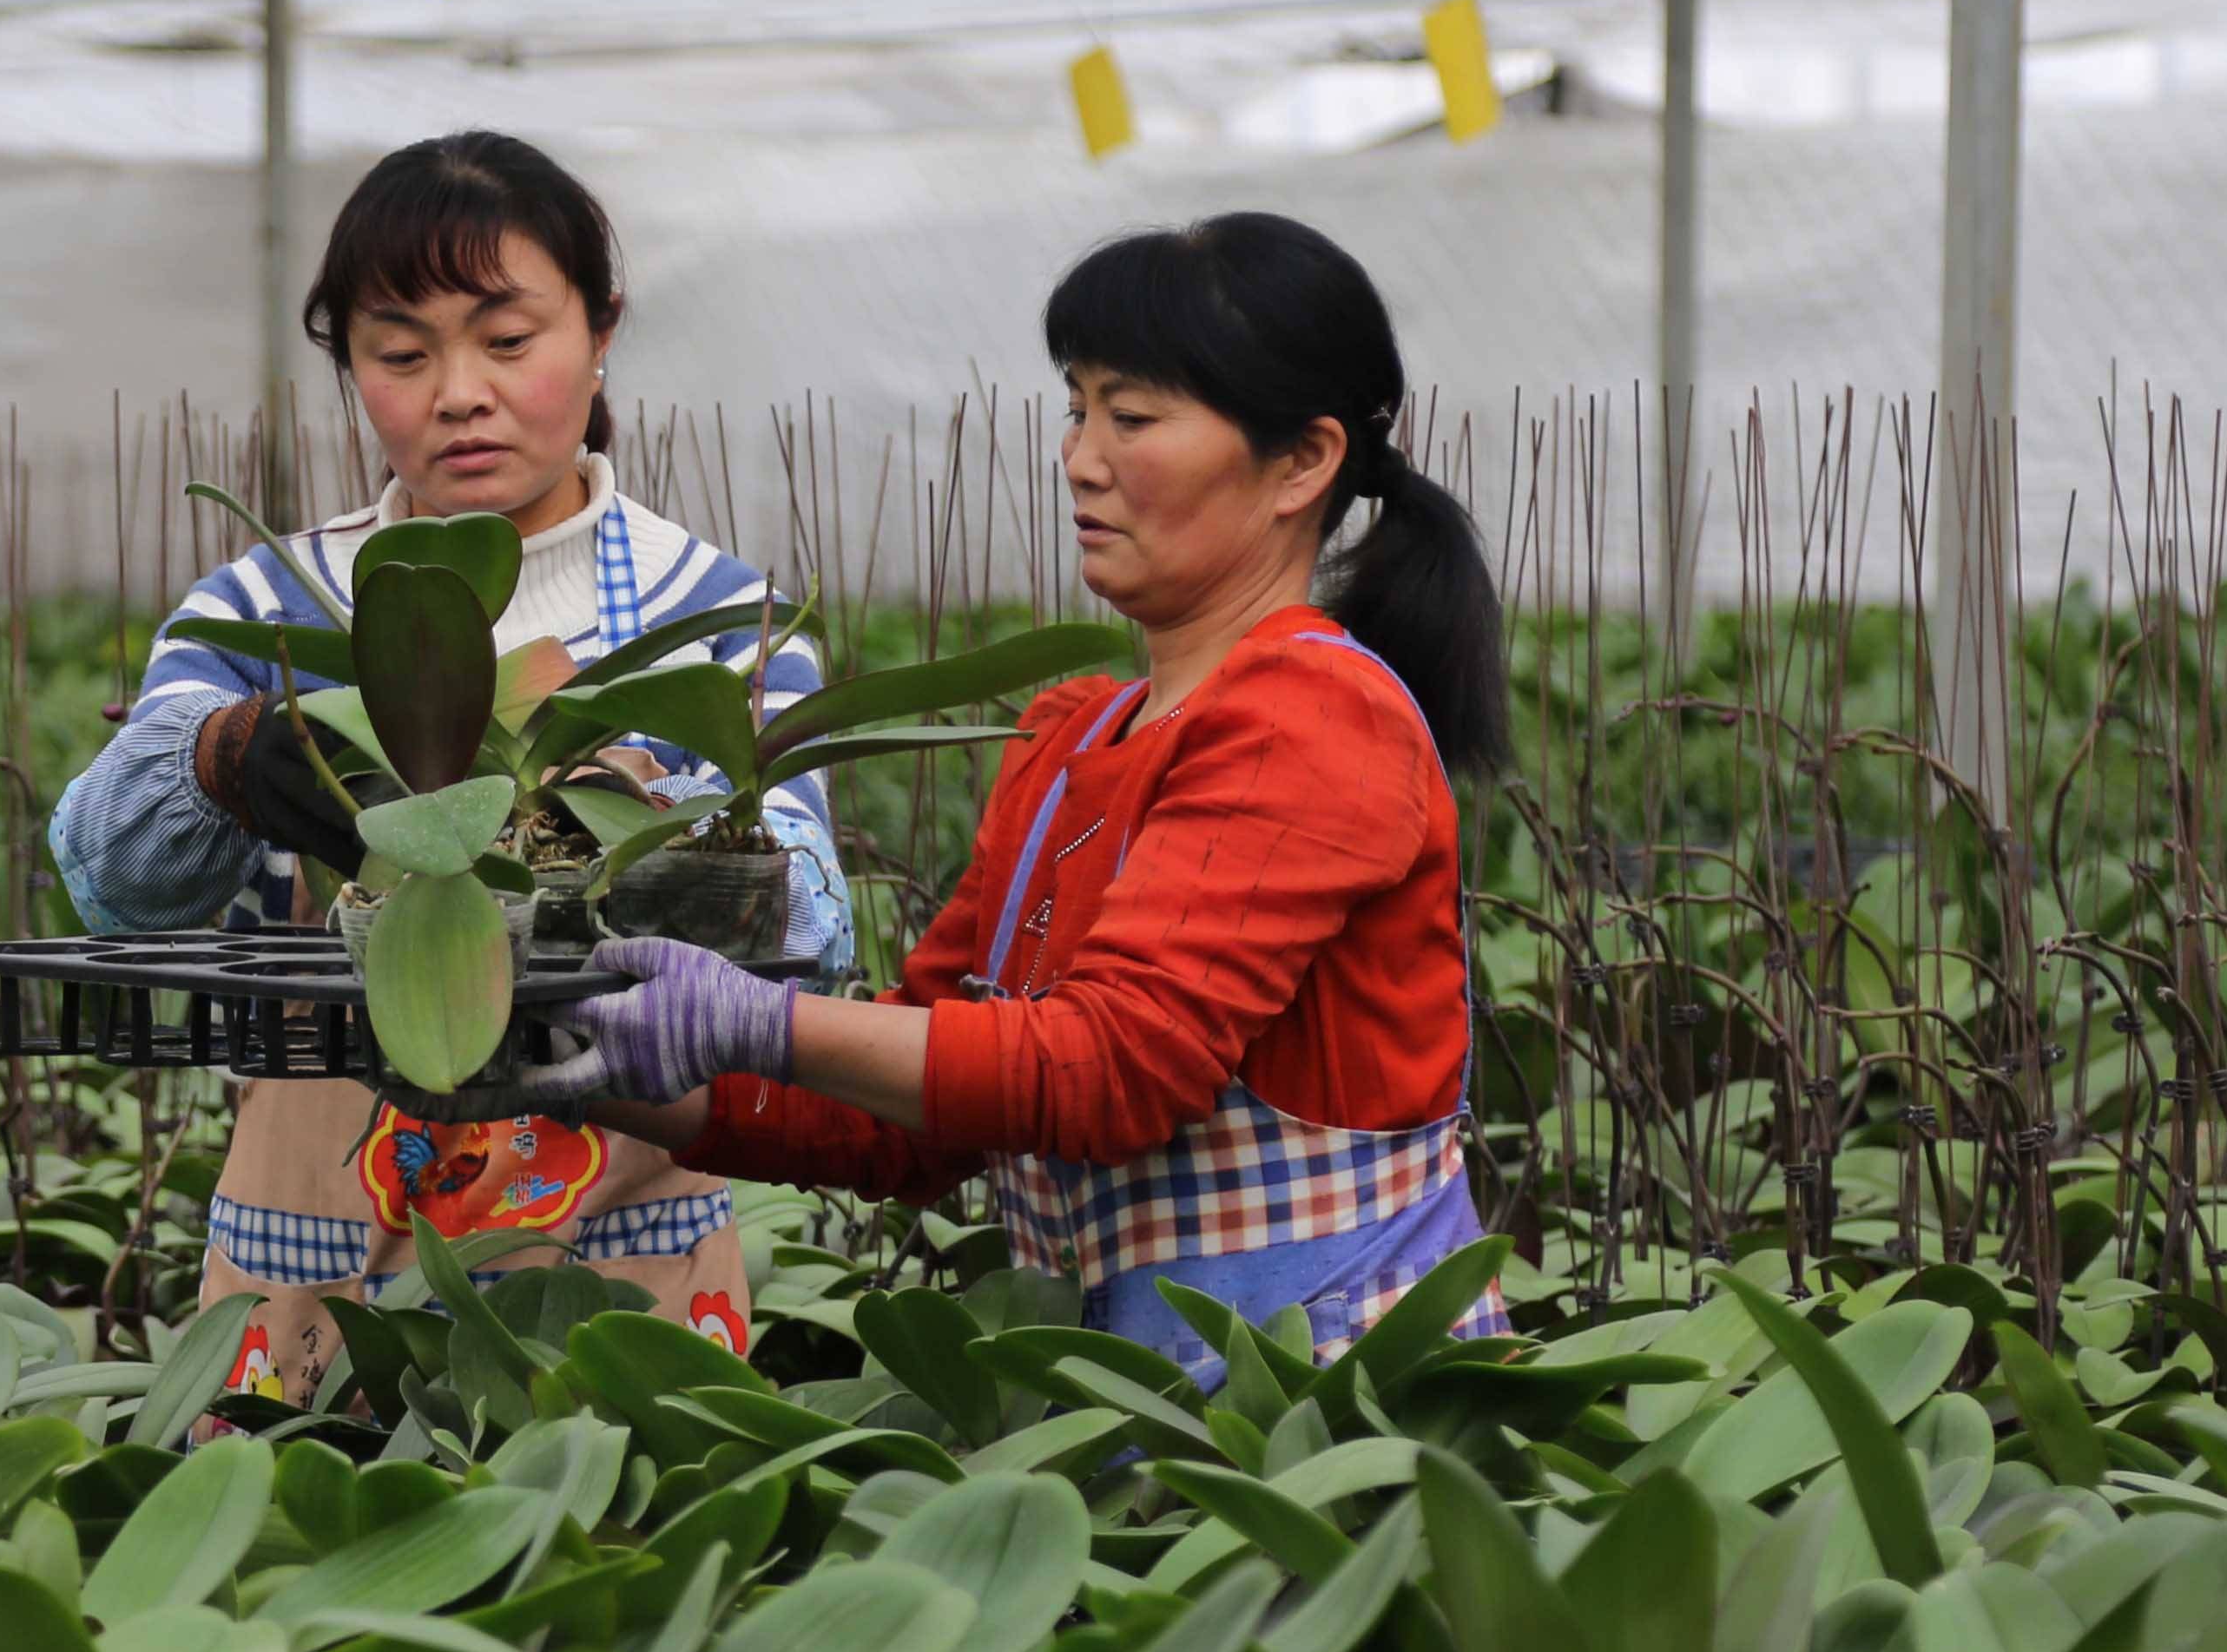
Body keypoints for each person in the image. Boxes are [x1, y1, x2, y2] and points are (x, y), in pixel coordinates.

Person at [511, 211, 1511, 1366]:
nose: (1082, 457)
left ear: (1303, 461)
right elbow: (915, 1115)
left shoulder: (1316, 718)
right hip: (1130, 1423)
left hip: (1334, 1428)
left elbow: (1114, 1070)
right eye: (1078, 408)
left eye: (1133, 417)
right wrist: (579, 1068)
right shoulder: (1073, 741)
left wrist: (759, 1021)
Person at [49, 132, 841, 1402]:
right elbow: (110, 878)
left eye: (507, 340)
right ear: (355, 371)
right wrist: (222, 756)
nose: (458, 392)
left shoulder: (725, 621)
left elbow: (811, 915)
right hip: (314, 1249)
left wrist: (641, 835)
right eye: (401, 353)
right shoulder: (267, 606)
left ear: (601, 332)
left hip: (626, 1245)